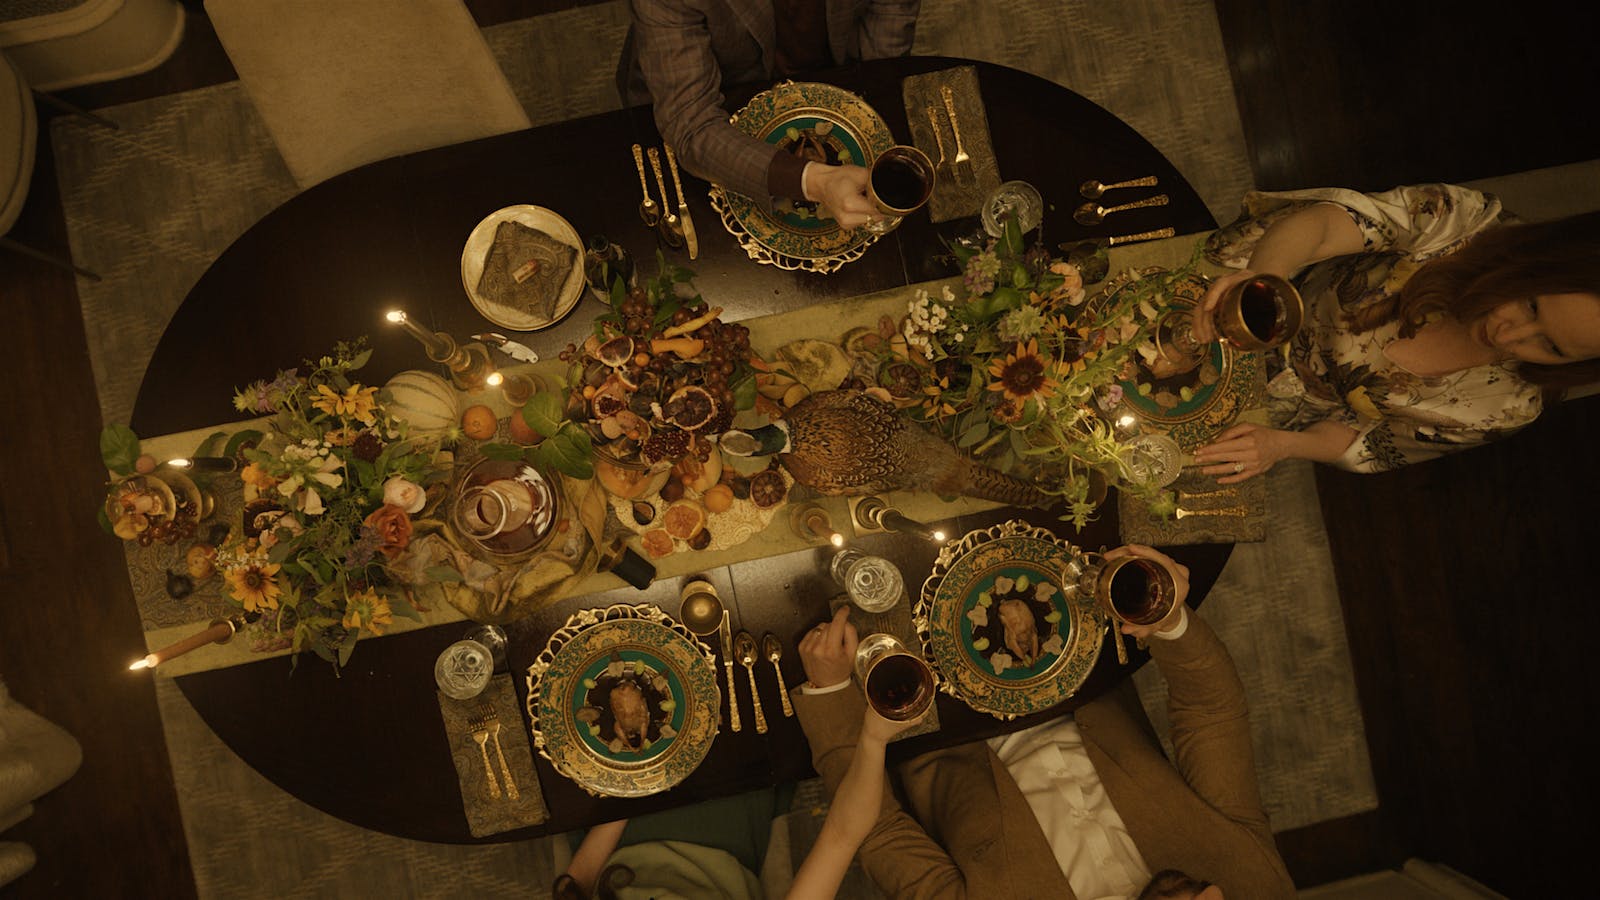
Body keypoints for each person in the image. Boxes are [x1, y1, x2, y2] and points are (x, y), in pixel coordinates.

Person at [794, 544, 1295, 899]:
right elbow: (1213, 714)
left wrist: (832, 694)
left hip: (923, 696)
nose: (1214, 895)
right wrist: (1168, 623)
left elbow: (875, 833)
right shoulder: (1255, 887)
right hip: (1065, 652)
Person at [1183, 183, 1600, 483]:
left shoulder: (1510, 408)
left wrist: (1281, 446)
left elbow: (1367, 442)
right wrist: (1262, 280)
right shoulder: (1466, 224)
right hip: (1256, 290)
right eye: (1530, 305)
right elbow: (1325, 226)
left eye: (1550, 347)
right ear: (1534, 258)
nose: (1510, 337)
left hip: (1268, 403)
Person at [552, 705, 919, 899]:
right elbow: (843, 834)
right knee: (733, 707)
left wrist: (626, 789)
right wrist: (874, 736)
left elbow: (576, 885)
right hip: (726, 833)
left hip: (620, 833)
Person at [625, 0, 921, 228]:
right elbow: (692, 125)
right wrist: (815, 182)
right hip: (721, 97)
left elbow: (890, 19)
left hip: (837, 72)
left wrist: (871, 94)